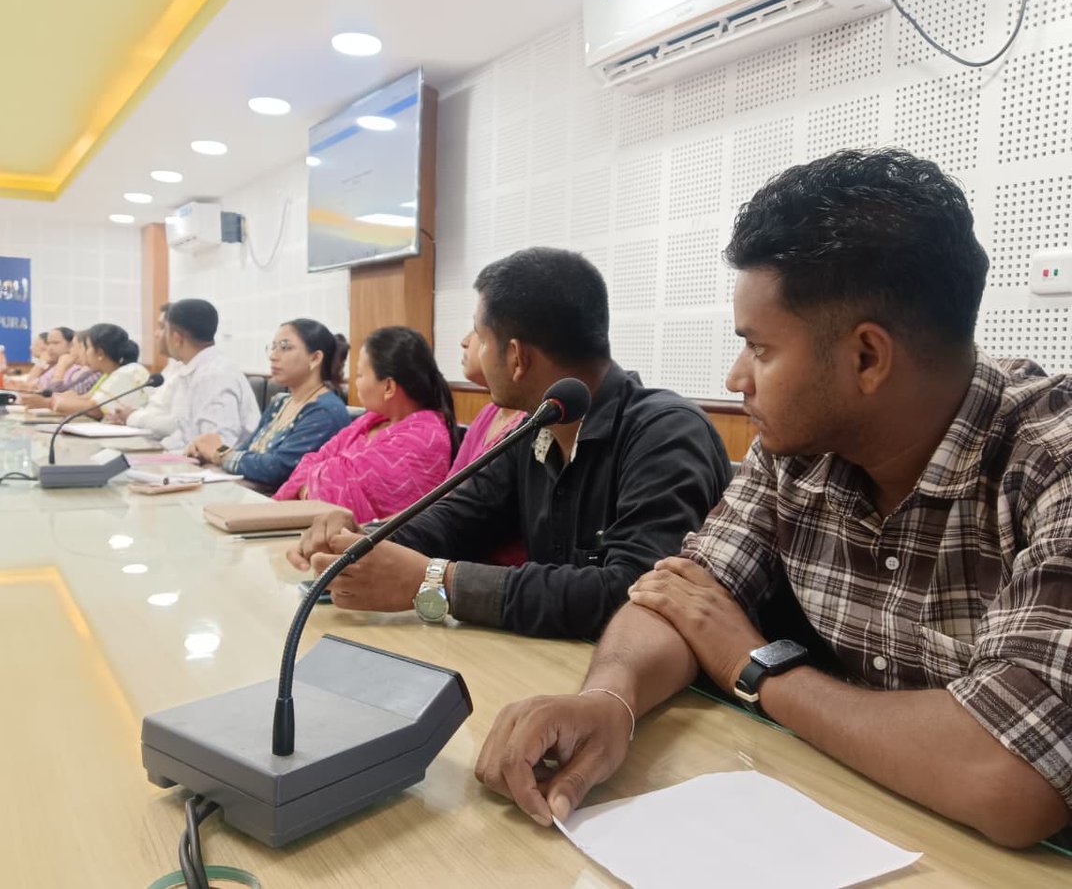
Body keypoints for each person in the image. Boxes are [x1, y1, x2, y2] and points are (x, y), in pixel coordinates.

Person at [474, 150, 1072, 849]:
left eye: (758, 349)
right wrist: (609, 699)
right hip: (863, 820)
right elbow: (679, 596)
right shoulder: (797, 448)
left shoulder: (1048, 459)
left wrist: (757, 668)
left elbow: (1010, 775)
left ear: (867, 358)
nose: (735, 378)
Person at [290, 247, 731, 639]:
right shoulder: (538, 426)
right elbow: (456, 517)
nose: (472, 349)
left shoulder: (667, 433)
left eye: (480, 337)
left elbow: (635, 592)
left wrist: (437, 582)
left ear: (517, 357)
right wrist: (359, 541)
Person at [273, 326, 456, 521]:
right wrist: (315, 483)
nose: (356, 382)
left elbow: (339, 505)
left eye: (360, 375)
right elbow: (313, 460)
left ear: (388, 387)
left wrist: (310, 486)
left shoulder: (424, 439)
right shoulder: (370, 421)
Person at [187, 319, 351, 491]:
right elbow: (247, 450)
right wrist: (207, 452)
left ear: (315, 358)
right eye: (273, 347)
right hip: (248, 494)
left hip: (278, 508)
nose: (273, 356)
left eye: (285, 347)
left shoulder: (324, 411)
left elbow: (278, 469)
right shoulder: (281, 401)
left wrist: (219, 452)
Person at [160, 298, 261, 451]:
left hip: (222, 470)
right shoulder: (197, 369)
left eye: (164, 330)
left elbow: (219, 445)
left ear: (176, 338)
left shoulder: (214, 376)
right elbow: (185, 434)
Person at [449, 328, 525, 473]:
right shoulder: (489, 411)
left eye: (477, 331)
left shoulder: (530, 422)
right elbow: (451, 486)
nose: (464, 342)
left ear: (514, 352)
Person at [108, 304, 184, 437]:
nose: (155, 334)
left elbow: (178, 426)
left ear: (176, 336)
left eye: (161, 327)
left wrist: (133, 417)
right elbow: (157, 410)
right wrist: (129, 417)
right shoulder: (173, 366)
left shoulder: (199, 374)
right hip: (149, 437)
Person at [49, 323, 150, 418]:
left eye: (87, 348)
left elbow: (94, 409)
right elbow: (88, 400)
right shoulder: (112, 373)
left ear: (100, 353)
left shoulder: (127, 372)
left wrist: (51, 402)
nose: (85, 353)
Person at [29, 330, 99, 403]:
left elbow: (53, 393)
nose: (49, 348)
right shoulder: (55, 365)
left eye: (55, 343)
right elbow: (31, 384)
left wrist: (58, 368)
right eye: (49, 343)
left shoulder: (73, 367)